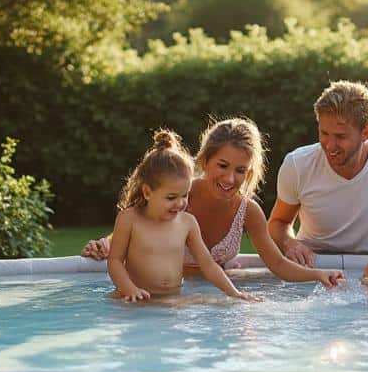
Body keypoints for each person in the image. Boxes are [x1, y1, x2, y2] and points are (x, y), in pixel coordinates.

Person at [83, 118, 344, 288]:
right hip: (152, 292)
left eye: (241, 170)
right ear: (205, 160)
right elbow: (142, 220)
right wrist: (105, 243)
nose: (230, 178)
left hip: (206, 293)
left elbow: (276, 264)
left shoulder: (248, 211)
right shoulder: (179, 194)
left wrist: (318, 275)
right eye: (222, 165)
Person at [268, 80, 368, 265]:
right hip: (313, 264)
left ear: (366, 133)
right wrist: (290, 244)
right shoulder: (297, 165)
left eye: (340, 136)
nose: (330, 145)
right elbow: (278, 222)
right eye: (324, 133)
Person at [106, 129, 260, 303]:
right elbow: (115, 261)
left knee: (216, 304)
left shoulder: (187, 222)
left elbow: (208, 264)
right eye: (171, 197)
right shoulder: (130, 219)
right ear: (147, 192)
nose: (180, 203)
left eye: (185, 195)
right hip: (135, 299)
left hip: (172, 299)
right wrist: (130, 289)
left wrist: (234, 293)